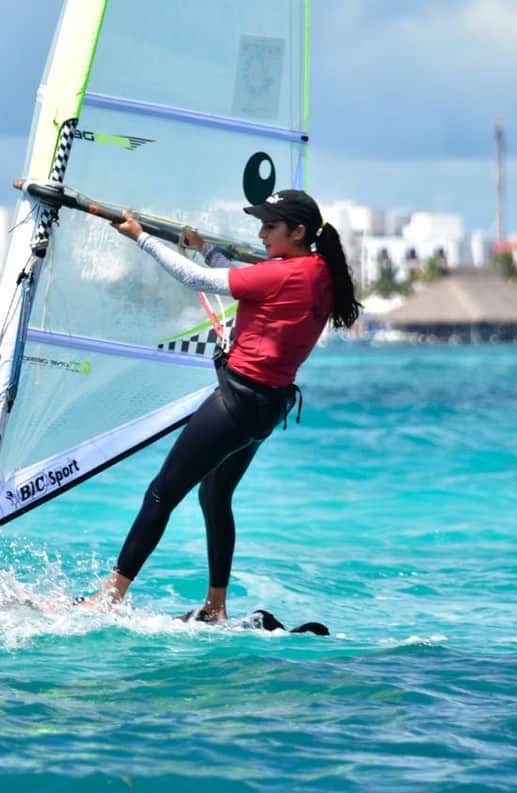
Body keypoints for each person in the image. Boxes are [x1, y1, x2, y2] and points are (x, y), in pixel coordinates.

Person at [82, 189, 361, 621]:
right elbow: (243, 279)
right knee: (215, 496)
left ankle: (111, 596)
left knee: (161, 493)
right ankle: (216, 607)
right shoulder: (319, 271)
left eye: (271, 226)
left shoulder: (284, 274)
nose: (261, 233)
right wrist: (207, 248)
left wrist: (141, 238)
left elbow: (198, 281)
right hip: (268, 408)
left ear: (299, 231)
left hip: (235, 402)